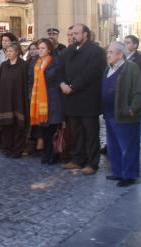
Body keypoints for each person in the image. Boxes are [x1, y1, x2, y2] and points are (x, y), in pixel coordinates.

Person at [58, 23, 106, 175]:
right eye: (71, 34)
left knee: (91, 133)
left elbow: (90, 73)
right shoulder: (68, 51)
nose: (73, 36)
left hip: (88, 99)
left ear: (85, 34)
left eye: (76, 33)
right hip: (71, 99)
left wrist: (72, 87)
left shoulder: (96, 51)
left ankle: (92, 163)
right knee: (76, 132)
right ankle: (78, 159)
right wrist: (62, 83)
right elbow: (60, 69)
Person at [102, 42, 141, 187]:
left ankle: (129, 175)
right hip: (109, 114)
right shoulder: (108, 69)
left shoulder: (131, 68)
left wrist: (132, 108)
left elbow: (139, 91)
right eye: (108, 52)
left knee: (128, 146)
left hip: (125, 115)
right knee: (113, 145)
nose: (108, 55)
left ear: (120, 54)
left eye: (111, 52)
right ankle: (118, 171)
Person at [27, 39, 63, 164]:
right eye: (39, 48)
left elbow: (58, 79)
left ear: (49, 49)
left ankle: (52, 154)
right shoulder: (34, 62)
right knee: (43, 130)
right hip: (38, 99)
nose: (40, 50)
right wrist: (31, 94)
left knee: (51, 129)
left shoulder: (55, 61)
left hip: (52, 98)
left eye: (43, 48)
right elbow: (30, 80)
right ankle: (46, 154)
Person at [0, 42, 29, 158]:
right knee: (6, 125)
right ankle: (7, 147)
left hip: (19, 99)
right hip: (4, 100)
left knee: (18, 125)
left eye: (11, 51)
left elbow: (26, 83)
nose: (8, 53)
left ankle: (17, 149)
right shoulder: (3, 65)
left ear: (17, 52)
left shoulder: (23, 65)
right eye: (7, 51)